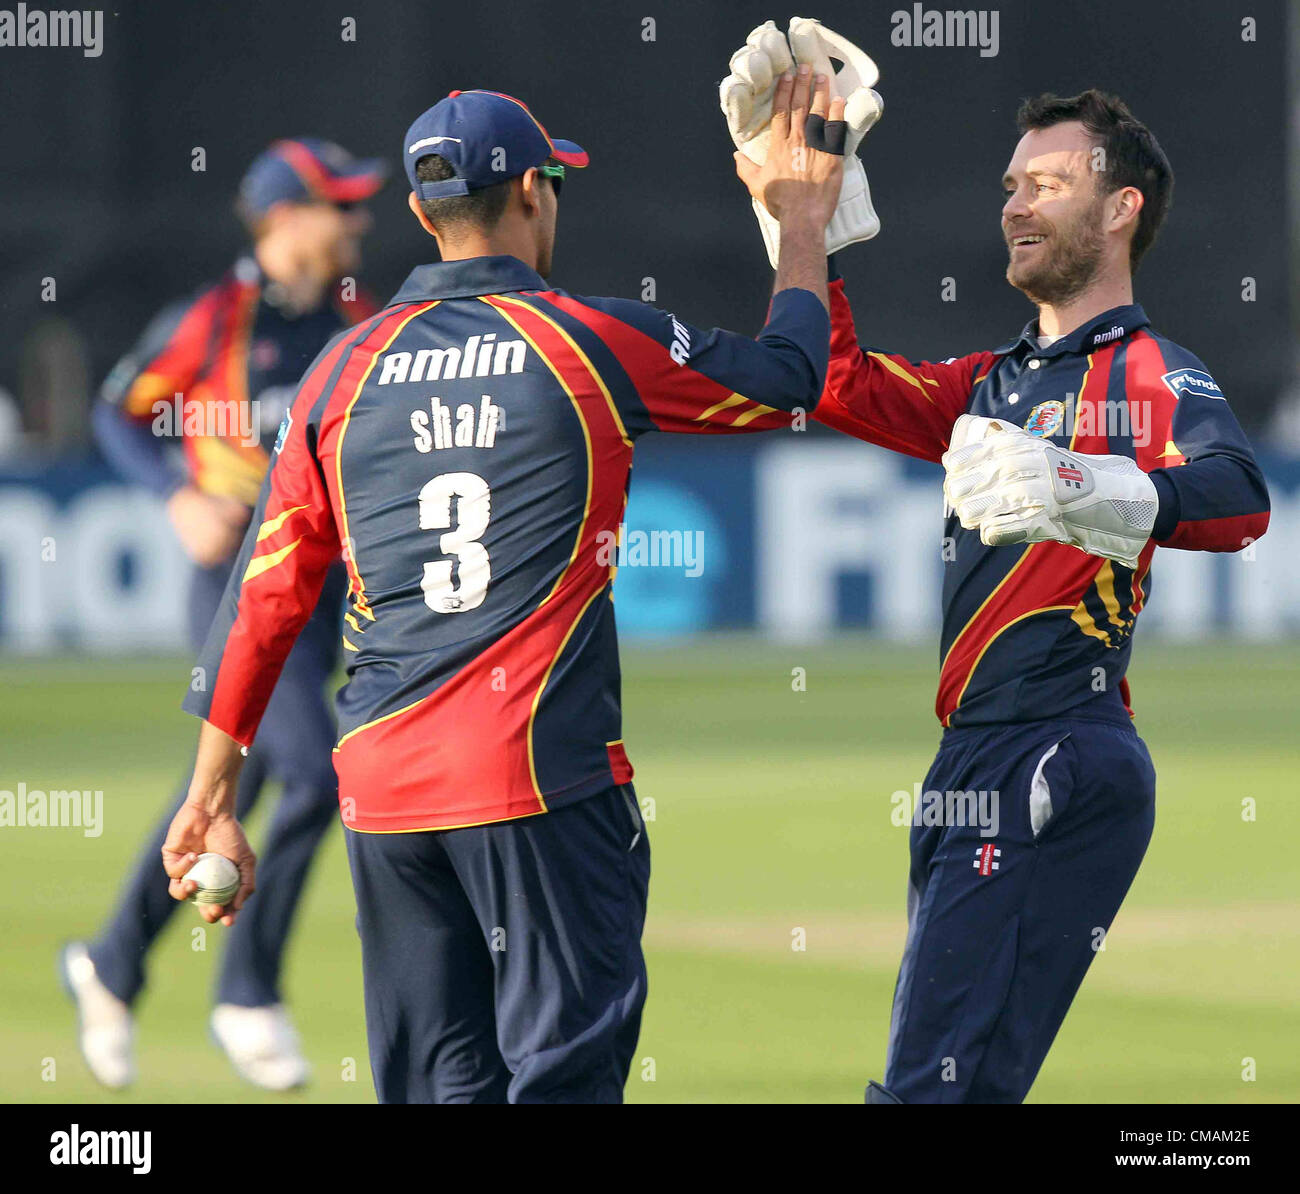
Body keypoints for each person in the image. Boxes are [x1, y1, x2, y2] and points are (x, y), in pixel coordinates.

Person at [163, 75, 846, 1103]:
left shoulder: (337, 373)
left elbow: (263, 598)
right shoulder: (590, 339)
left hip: (386, 797)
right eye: (554, 183)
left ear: (417, 212)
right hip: (538, 784)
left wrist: (209, 795)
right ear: (532, 190)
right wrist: (799, 220)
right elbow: (794, 376)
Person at [725, 24, 1270, 1104]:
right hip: (975, 763)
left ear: (1122, 211)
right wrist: (802, 220)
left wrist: (1090, 487)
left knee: (926, 1092)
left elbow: (1240, 499)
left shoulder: (1146, 368)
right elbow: (829, 382)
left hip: (1054, 751)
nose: (1016, 204)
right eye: (1012, 184)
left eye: (1050, 184)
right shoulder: (992, 381)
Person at [61, 137, 385, 1091]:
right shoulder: (215, 319)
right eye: (341, 206)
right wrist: (175, 494)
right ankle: (247, 993)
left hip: (322, 590)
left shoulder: (356, 315)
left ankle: (111, 963)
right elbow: (121, 410)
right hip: (243, 584)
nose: (359, 222)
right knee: (317, 777)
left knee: (223, 784)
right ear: (286, 219)